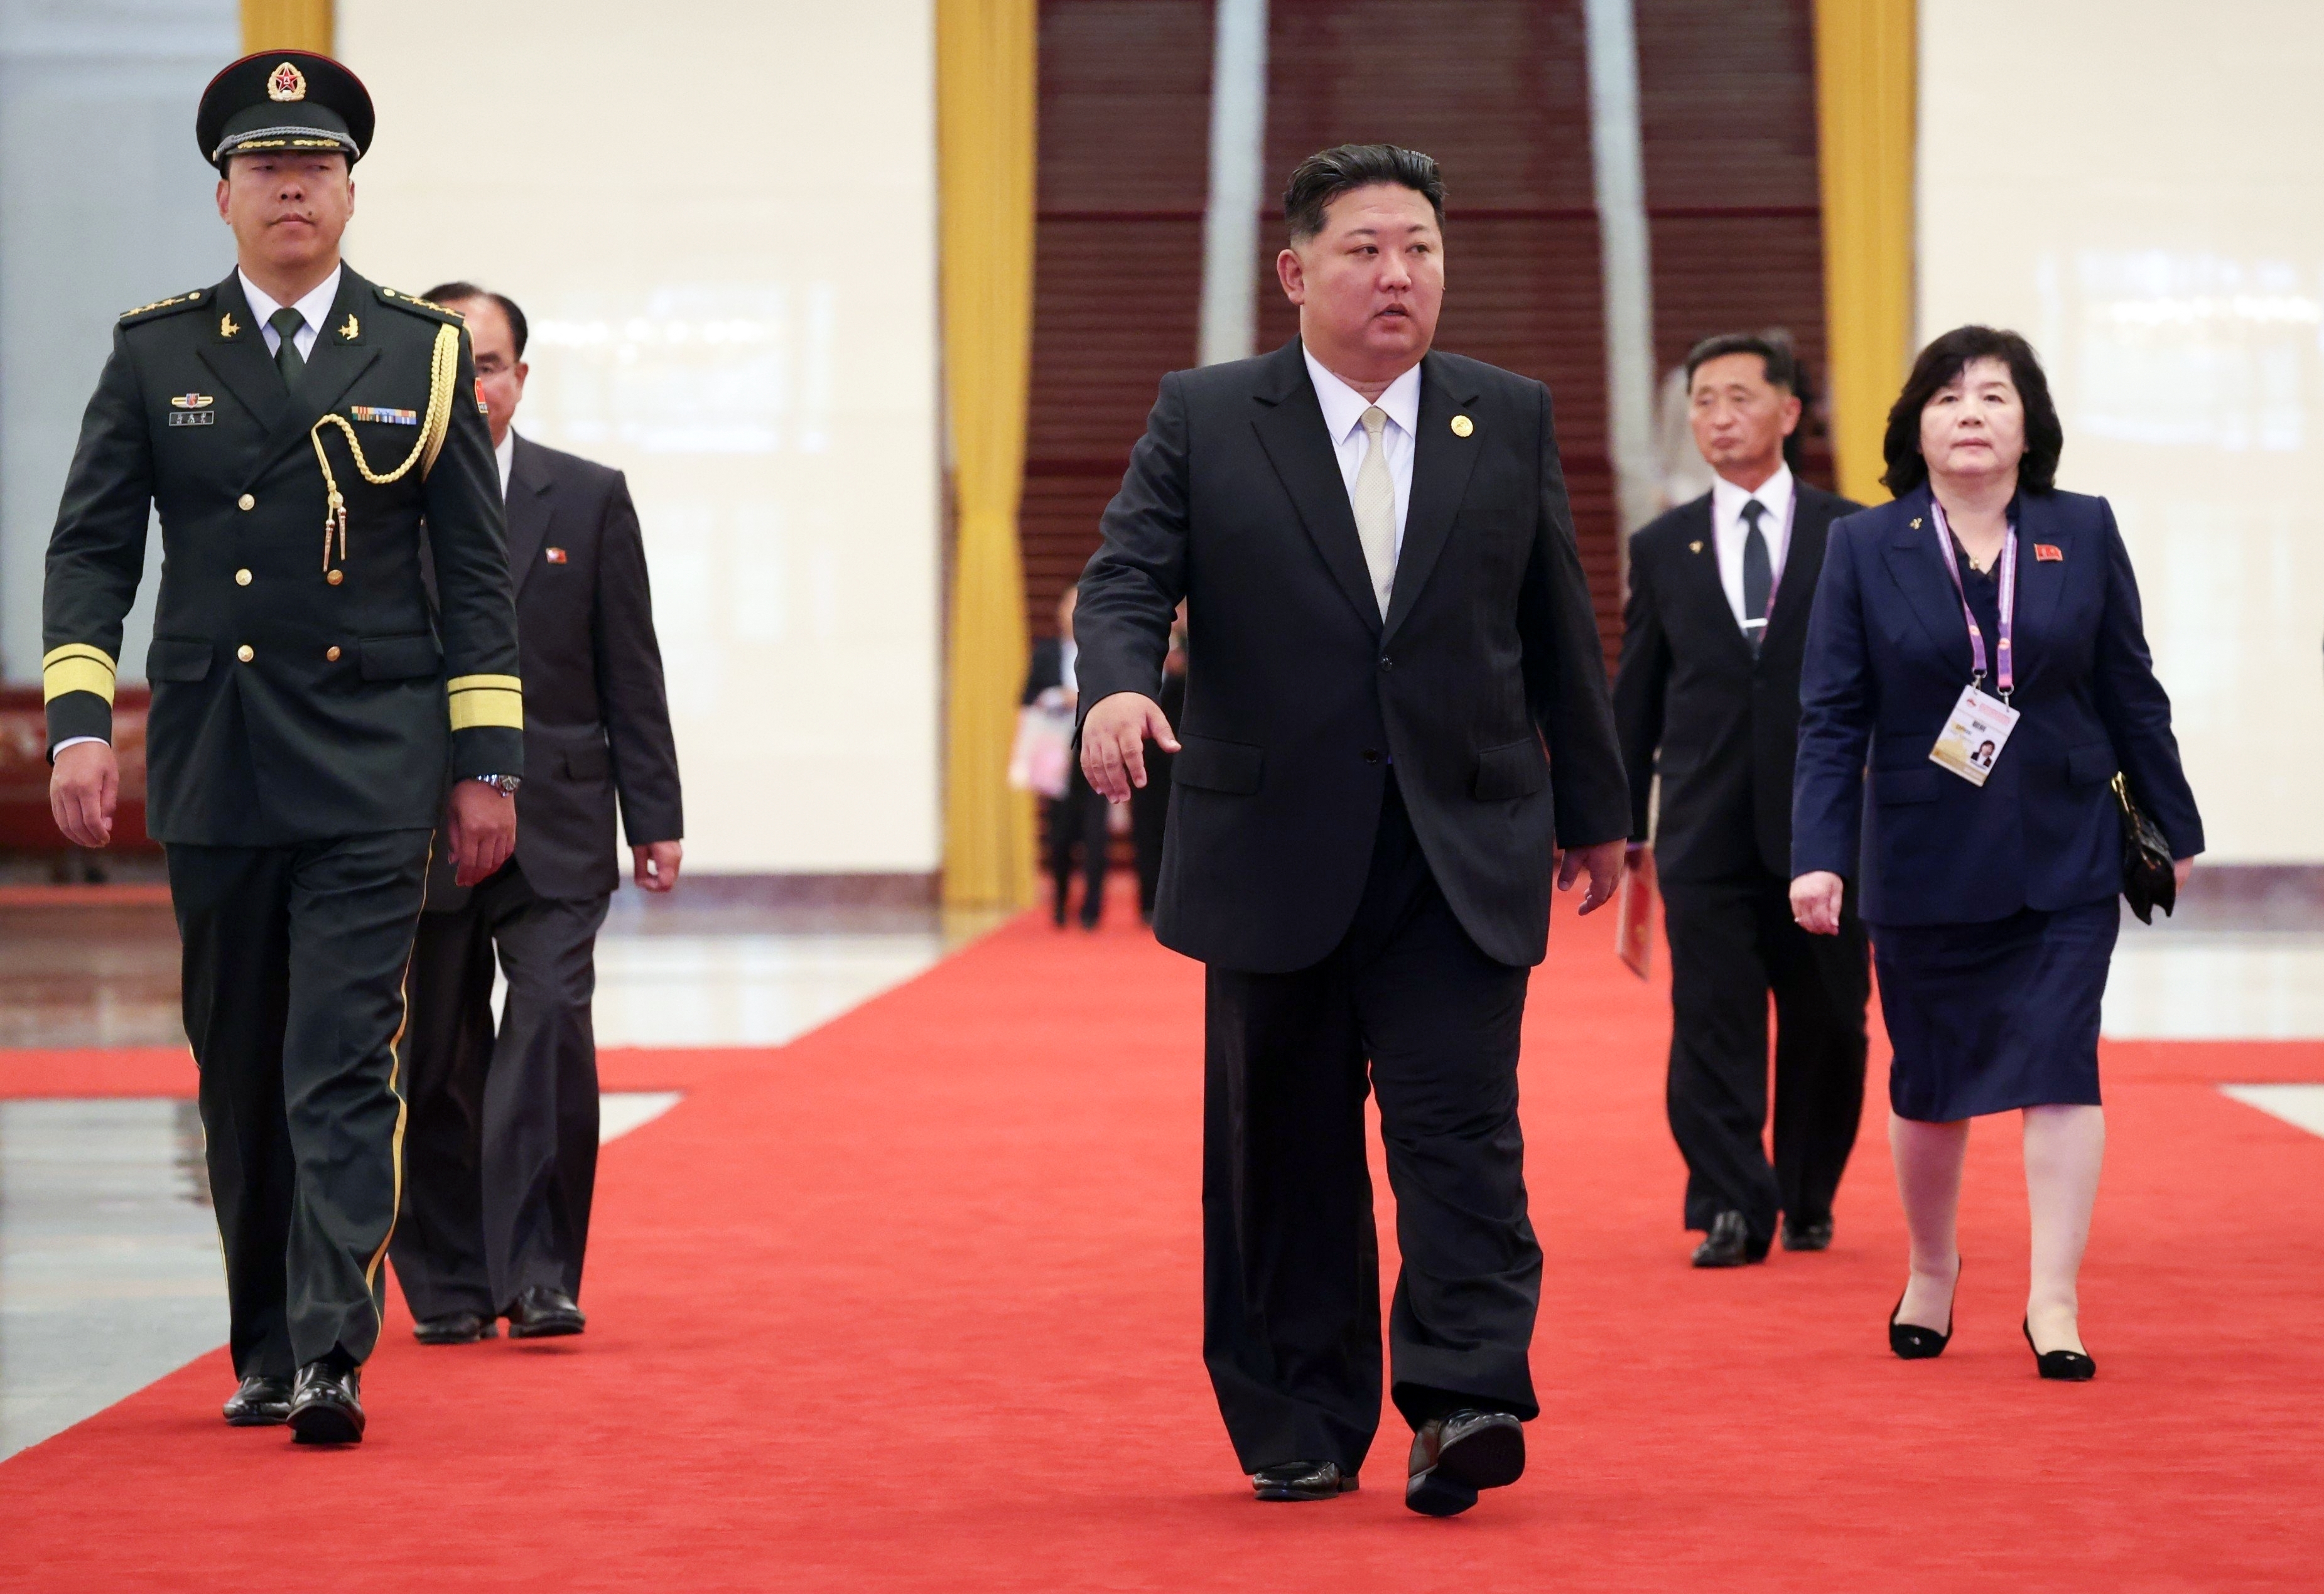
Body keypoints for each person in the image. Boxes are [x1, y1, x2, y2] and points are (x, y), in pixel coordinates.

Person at [1076, 144, 1628, 1516]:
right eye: (1365, 249)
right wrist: (1119, 689)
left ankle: (1463, 1399)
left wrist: (1598, 811)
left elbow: (1555, 621)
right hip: (1273, 846)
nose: (1397, 275)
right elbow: (1126, 577)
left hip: (1460, 841)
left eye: (1420, 249)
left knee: (1461, 1135)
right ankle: (1298, 1417)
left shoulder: (1501, 415)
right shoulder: (1207, 416)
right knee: (1284, 1148)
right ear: (1293, 272)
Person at [41, 51, 521, 1443]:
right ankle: (258, 1343)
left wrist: (483, 762)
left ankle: (329, 1350)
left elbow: (475, 578)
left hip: (372, 751)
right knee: (237, 1062)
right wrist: (82, 722)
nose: (291, 185)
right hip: (216, 752)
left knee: (338, 1055)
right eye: (265, 166)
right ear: (224, 196)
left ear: (352, 192)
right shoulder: (157, 350)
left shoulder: (420, 352)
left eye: (314, 165)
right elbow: (91, 548)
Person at [1791, 325, 2202, 1381]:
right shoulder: (1864, 546)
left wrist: (2172, 824)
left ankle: (2053, 1297)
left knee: (2062, 1064)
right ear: (1914, 427)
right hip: (1924, 850)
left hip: (2067, 844)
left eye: (1994, 396)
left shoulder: (2084, 530)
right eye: (1946, 396)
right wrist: (1818, 851)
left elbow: (2130, 687)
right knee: (1929, 1080)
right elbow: (1832, 713)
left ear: (2031, 427)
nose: (1970, 413)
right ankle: (1932, 1267)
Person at [387, 283, 683, 1345]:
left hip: (559, 813)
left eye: (493, 364)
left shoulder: (587, 496)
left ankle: (542, 1271)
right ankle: (454, 1279)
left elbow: (628, 665)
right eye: (456, 366)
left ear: (522, 375)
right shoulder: (377, 497)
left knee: (550, 1024)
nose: (477, 385)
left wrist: (655, 810)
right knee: (437, 1053)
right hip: (416, 820)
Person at [1613, 333, 1871, 1268]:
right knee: (1712, 1020)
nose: (1717, 417)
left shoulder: (1855, 533)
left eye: (1737, 397)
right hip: (1704, 825)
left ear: (1789, 411)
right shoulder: (1663, 545)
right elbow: (1636, 694)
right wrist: (1609, 821)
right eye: (1702, 400)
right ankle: (1729, 1197)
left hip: (1829, 831)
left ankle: (1807, 1193)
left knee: (1831, 1024)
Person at [1023, 584, 1109, 927]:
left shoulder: (1102, 652)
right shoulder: (1046, 654)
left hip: (1095, 749)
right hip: (1056, 753)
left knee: (1095, 833)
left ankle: (1092, 909)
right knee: (1060, 834)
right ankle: (1059, 901)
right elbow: (1027, 698)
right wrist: (1057, 698)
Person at [1128, 606, 1188, 924]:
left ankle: (1182, 904)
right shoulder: (1140, 655)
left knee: (1181, 834)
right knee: (1146, 831)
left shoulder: (1193, 654)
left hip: (1185, 760)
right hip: (1147, 761)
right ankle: (1148, 903)